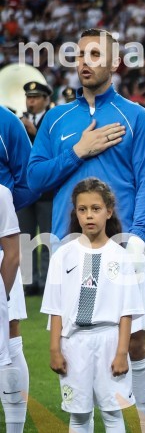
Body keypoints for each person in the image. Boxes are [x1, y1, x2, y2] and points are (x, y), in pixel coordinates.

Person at [27, 28, 145, 433]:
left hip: (123, 246)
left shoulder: (137, 117)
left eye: (94, 54)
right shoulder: (55, 120)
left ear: (114, 62)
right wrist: (76, 150)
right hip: (68, 248)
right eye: (79, 54)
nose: (84, 61)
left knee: (138, 342)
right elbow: (35, 182)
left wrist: (140, 237)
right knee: (71, 341)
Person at [41, 178, 143, 433]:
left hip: (109, 339)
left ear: (109, 211)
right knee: (79, 412)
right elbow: (55, 308)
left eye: (96, 209)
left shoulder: (121, 256)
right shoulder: (63, 255)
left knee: (112, 412)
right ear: (76, 212)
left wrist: (122, 351)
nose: (89, 215)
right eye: (83, 209)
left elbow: (127, 311)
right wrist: (55, 347)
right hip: (74, 344)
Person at [0, 106, 35, 433]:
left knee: (10, 339)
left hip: (0, 246)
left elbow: (27, 179)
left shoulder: (6, 122)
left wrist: (4, 206)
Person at [17, 82, 53, 296]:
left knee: (48, 238)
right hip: (25, 188)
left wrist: (36, 131)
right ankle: (28, 282)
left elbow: (57, 147)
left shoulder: (51, 121)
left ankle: (47, 280)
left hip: (47, 189)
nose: (31, 101)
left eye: (36, 97)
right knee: (25, 237)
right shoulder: (18, 121)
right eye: (29, 97)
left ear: (45, 100)